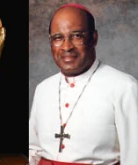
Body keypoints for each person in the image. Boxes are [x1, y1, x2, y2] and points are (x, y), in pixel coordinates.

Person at [29, 3, 138, 165]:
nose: (67, 47)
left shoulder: (124, 87)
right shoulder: (43, 89)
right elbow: (33, 150)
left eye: (77, 36)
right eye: (58, 38)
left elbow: (134, 157)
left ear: (94, 38)